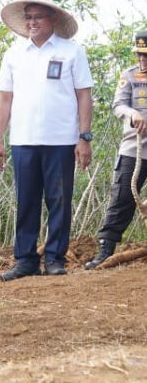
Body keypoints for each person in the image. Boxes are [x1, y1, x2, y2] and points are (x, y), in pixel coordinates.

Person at [0, 0, 93, 280]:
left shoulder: (71, 51)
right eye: (28, 17)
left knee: (59, 200)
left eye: (38, 17)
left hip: (61, 139)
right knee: (26, 200)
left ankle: (54, 258)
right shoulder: (14, 54)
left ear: (53, 20)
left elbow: (84, 95)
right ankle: (25, 260)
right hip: (23, 139)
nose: (32, 22)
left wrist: (84, 137)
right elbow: (4, 99)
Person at [86, 31, 147, 269]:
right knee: (122, 197)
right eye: (139, 55)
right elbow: (118, 104)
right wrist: (132, 113)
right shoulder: (129, 75)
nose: (142, 60)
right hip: (134, 147)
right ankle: (106, 249)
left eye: (146, 56)